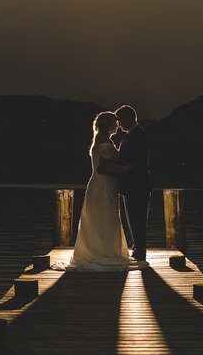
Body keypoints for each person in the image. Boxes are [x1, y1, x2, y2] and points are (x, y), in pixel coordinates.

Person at [59, 111, 145, 271]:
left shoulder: (99, 140)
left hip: (100, 184)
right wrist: (125, 168)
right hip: (104, 184)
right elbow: (104, 166)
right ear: (109, 125)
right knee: (105, 216)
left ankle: (101, 250)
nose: (117, 125)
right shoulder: (105, 141)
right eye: (115, 123)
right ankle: (104, 253)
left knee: (101, 217)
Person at [112, 105, 151, 261]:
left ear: (129, 118)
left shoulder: (138, 135)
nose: (118, 124)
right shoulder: (132, 134)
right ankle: (137, 247)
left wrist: (122, 169)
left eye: (120, 120)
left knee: (138, 218)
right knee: (134, 218)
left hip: (137, 184)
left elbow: (135, 161)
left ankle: (140, 250)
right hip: (133, 185)